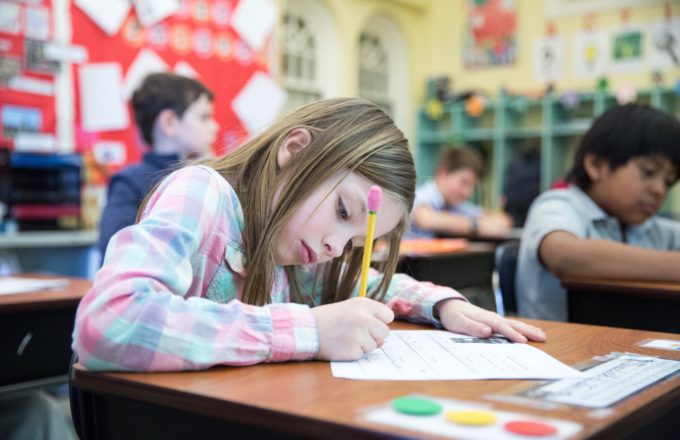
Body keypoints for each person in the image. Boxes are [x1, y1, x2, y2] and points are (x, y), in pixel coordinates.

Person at [73, 98, 544, 372]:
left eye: (355, 243)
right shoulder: (201, 193)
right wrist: (310, 332)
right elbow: (109, 322)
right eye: (342, 211)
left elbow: (380, 283)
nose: (335, 249)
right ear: (295, 150)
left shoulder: (289, 250)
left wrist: (446, 306)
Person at [516, 103, 680, 321]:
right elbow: (565, 256)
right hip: (559, 350)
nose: (659, 189)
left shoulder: (651, 227)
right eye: (648, 172)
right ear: (596, 164)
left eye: (669, 182)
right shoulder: (558, 204)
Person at [97, 72, 219, 258]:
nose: (214, 127)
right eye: (204, 117)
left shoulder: (204, 177)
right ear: (169, 123)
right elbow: (115, 248)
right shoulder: (129, 181)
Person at [406, 147, 513, 239]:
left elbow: (504, 221)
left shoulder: (457, 205)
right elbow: (427, 220)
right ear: (442, 173)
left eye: (472, 187)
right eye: (464, 182)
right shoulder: (423, 195)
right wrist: (475, 226)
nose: (468, 193)